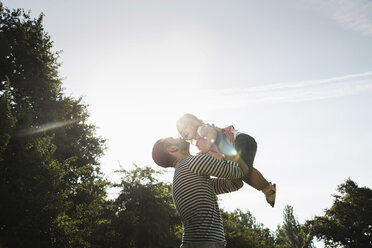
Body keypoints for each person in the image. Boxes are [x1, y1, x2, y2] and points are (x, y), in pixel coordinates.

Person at [152, 137, 249, 248]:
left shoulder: (186, 175)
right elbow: (242, 171)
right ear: (172, 148)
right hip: (206, 243)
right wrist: (224, 146)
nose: (179, 136)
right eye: (173, 138)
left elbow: (235, 184)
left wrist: (214, 155)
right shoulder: (194, 162)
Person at [176, 113, 276, 207]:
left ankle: (268, 189)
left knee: (243, 171)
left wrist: (207, 148)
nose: (183, 132)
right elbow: (215, 155)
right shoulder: (199, 143)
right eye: (181, 132)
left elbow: (212, 133)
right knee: (241, 171)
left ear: (194, 123)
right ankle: (267, 189)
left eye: (185, 127)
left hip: (240, 141)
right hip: (236, 148)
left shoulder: (201, 130)